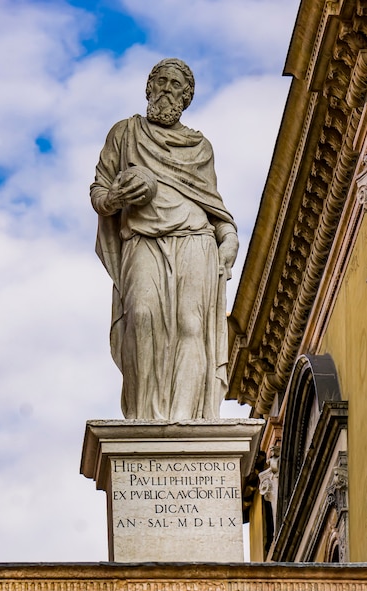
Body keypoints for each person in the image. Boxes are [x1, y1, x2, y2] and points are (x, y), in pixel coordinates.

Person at [91, 58, 238, 421]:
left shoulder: (200, 147)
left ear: (186, 97)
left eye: (175, 86)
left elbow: (213, 203)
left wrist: (229, 235)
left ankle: (187, 420)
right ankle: (147, 417)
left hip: (195, 239)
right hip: (142, 238)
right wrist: (119, 198)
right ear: (148, 88)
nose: (166, 91)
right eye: (160, 82)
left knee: (192, 324)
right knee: (141, 316)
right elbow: (99, 192)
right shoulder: (125, 134)